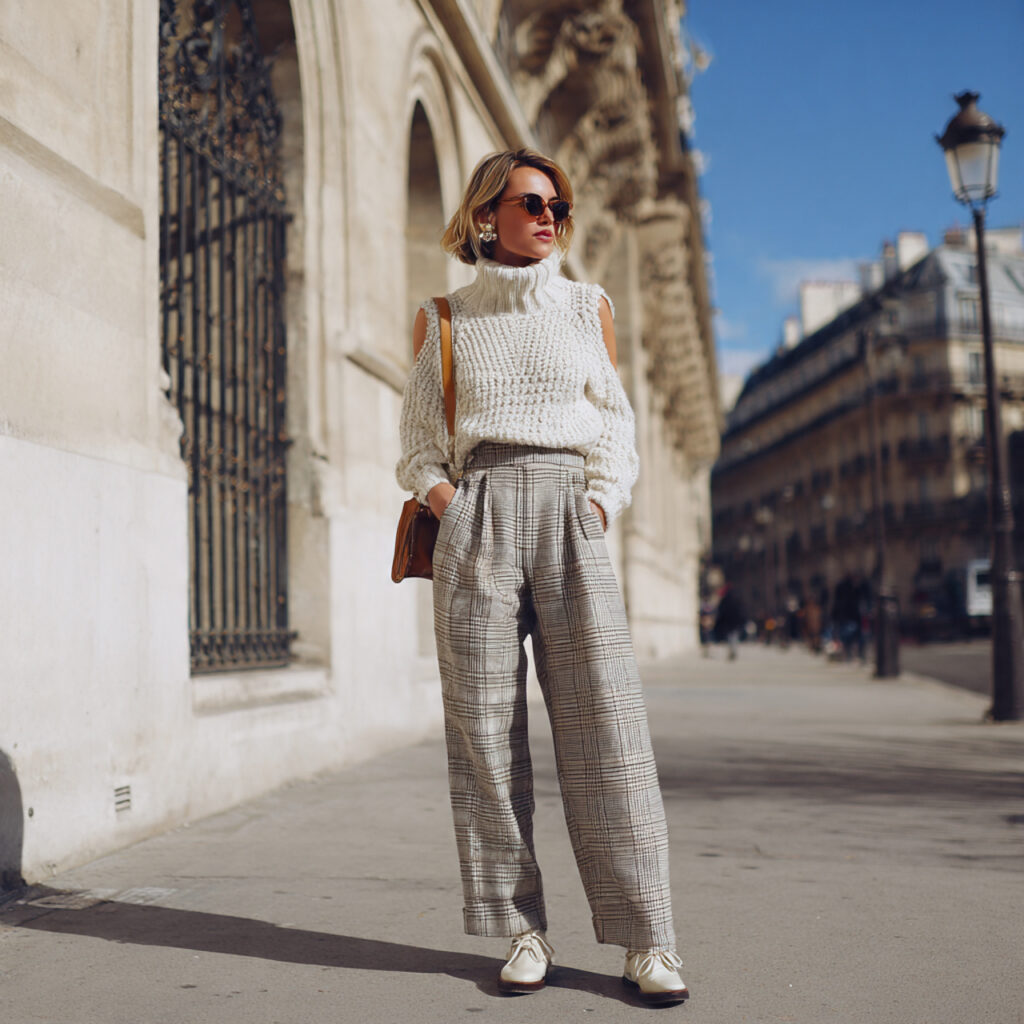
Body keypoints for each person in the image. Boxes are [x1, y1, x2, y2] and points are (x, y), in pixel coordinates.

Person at [396, 148, 687, 1006]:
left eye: (559, 201)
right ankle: (522, 930)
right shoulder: (443, 317)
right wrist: (454, 507)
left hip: (569, 510)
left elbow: (617, 428)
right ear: (488, 213)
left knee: (609, 733)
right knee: (485, 737)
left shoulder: (585, 306)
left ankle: (648, 939)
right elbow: (417, 446)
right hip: (478, 511)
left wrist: (596, 507)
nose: (551, 214)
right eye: (532, 201)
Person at [713, 583, 745, 660]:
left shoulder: (724, 600)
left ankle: (732, 651)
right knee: (734, 637)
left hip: (728, 623)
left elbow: (721, 612)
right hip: (735, 623)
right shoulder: (737, 599)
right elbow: (741, 611)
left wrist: (720, 622)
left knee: (730, 637)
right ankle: (733, 650)